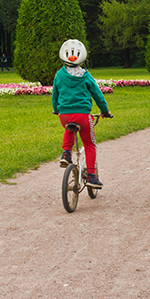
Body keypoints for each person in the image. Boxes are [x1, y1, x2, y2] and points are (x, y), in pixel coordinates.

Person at [52, 39, 112, 189]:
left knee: (69, 128)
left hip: (64, 115)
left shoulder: (59, 75)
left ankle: (66, 153)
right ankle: (91, 176)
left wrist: (56, 109)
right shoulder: (85, 75)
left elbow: (55, 95)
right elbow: (97, 95)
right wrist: (105, 111)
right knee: (89, 144)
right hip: (83, 115)